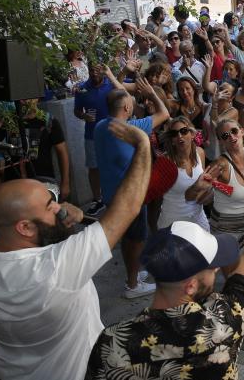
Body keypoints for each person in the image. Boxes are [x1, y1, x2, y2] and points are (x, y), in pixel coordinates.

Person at [0, 120, 151, 380]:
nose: (58, 206)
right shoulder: (53, 272)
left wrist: (64, 223)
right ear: (25, 227)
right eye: (48, 205)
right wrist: (143, 145)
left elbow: (35, 249)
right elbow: (128, 207)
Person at [76, 148, 244, 380]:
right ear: (190, 286)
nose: (217, 269)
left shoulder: (113, 342)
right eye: (211, 266)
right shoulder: (223, 322)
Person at [94, 81, 169, 299]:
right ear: (127, 108)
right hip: (130, 196)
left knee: (128, 238)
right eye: (132, 103)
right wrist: (152, 93)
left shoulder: (100, 127)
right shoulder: (133, 129)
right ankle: (133, 285)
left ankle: (133, 273)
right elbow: (164, 113)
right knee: (136, 239)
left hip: (111, 194)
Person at [156, 116, 210, 232]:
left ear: (192, 134)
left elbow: (202, 190)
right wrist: (155, 231)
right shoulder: (165, 162)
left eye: (184, 131)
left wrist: (209, 192)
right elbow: (155, 201)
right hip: (173, 223)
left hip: (198, 221)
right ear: (172, 140)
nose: (179, 136)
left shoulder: (200, 153)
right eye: (174, 134)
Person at [74, 63, 115, 215]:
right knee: (93, 168)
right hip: (92, 134)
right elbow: (77, 111)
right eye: (92, 70)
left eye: (98, 69)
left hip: (112, 133)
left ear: (103, 70)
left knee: (113, 165)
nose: (94, 72)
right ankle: (98, 200)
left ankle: (114, 197)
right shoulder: (82, 88)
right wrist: (84, 116)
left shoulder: (111, 84)